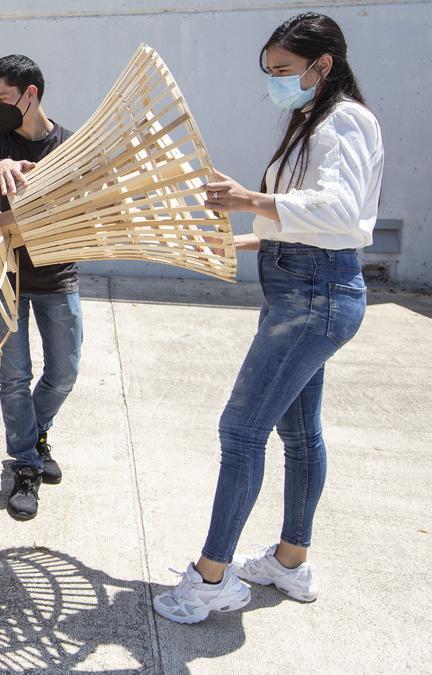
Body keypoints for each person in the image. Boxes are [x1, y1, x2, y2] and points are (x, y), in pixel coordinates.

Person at [154, 13, 383, 624]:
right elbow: (311, 220)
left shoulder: (345, 122)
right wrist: (251, 239)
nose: (276, 82)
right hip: (305, 287)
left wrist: (250, 200)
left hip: (315, 295)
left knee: (241, 431)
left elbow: (339, 210)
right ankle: (289, 560)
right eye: (270, 73)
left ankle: (210, 580)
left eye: (284, 71)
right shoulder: (312, 120)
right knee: (298, 433)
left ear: (322, 65)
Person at [0, 55, 83, 521]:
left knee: (64, 373)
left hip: (57, 276)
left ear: (30, 94)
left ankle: (35, 434)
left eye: (2, 98)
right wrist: (0, 167)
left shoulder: (69, 146)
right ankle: (24, 465)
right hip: (5, 277)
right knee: (14, 377)